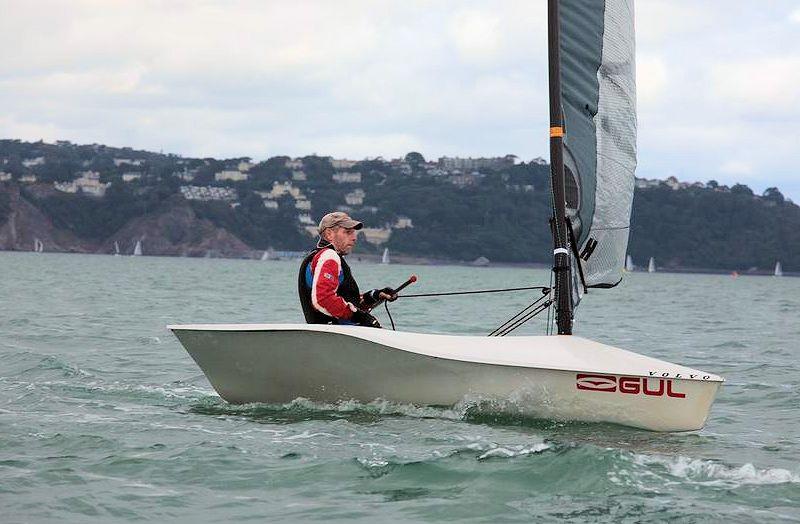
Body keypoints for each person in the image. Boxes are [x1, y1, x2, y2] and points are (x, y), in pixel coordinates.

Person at [298, 212, 397, 327]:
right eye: (347, 232)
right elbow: (323, 299)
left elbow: (346, 301)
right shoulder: (329, 256)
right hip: (338, 335)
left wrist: (374, 295)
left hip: (333, 335)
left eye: (354, 233)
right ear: (329, 234)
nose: (354, 237)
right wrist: (359, 316)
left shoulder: (319, 255)